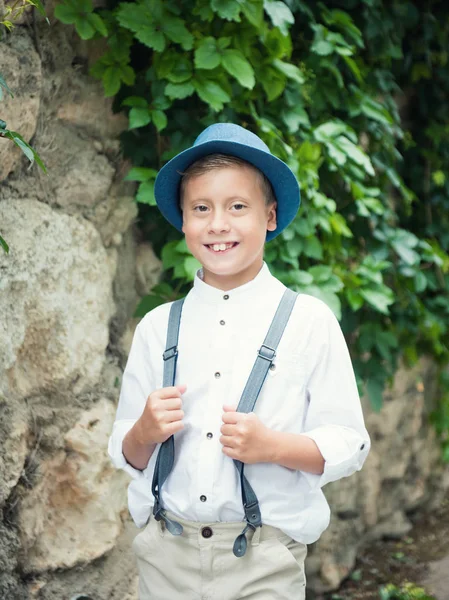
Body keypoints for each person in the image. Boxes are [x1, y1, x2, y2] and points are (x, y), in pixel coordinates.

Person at [108, 123, 371, 600]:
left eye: (238, 207)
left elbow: (348, 443)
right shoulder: (157, 328)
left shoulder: (308, 321)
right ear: (182, 221)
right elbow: (129, 453)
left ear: (270, 216)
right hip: (166, 558)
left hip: (265, 560)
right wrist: (144, 431)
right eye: (201, 209)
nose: (218, 224)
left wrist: (272, 446)